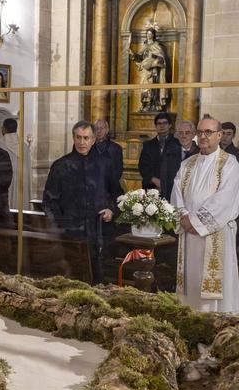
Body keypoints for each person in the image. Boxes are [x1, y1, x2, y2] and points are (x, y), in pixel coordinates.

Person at [172, 116, 239, 314]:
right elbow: (176, 193)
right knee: (190, 288)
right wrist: (184, 217)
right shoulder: (187, 164)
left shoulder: (229, 164)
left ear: (219, 135)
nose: (203, 136)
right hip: (188, 236)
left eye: (208, 132)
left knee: (214, 294)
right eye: (200, 132)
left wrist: (195, 221)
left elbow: (225, 200)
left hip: (214, 235)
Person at [43, 121, 122, 284]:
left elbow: (118, 194)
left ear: (93, 140)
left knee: (98, 281)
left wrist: (112, 210)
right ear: (73, 138)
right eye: (78, 137)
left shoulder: (105, 164)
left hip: (99, 232)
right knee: (70, 281)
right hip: (70, 235)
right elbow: (49, 202)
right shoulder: (60, 166)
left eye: (86, 138)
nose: (82, 142)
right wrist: (61, 227)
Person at [159, 120, 197, 200]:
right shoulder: (169, 152)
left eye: (187, 133)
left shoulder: (200, 153)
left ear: (193, 135)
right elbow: (164, 178)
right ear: (177, 135)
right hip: (173, 198)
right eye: (180, 133)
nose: (184, 136)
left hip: (193, 199)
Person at [139, 111, 175, 191]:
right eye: (159, 123)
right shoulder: (147, 145)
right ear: (155, 126)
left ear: (170, 125)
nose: (162, 126)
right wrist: (154, 180)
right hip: (151, 187)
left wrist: (166, 183)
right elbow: (143, 167)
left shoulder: (177, 144)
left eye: (165, 123)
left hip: (171, 188)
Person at [92, 118, 124, 185]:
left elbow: (118, 172)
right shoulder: (88, 148)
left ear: (107, 130)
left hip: (110, 187)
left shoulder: (116, 149)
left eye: (101, 128)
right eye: (96, 128)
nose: (99, 131)